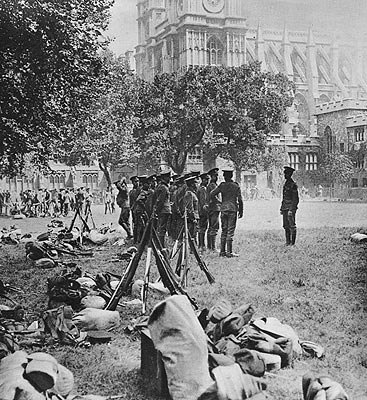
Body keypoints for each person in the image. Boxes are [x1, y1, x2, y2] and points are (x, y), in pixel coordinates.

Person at [210, 169, 243, 257]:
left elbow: (212, 194)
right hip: (232, 209)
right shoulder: (235, 186)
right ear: (231, 176)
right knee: (230, 231)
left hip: (223, 209)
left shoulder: (222, 185)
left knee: (224, 230)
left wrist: (219, 202)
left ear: (225, 177)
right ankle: (229, 252)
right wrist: (241, 211)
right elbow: (240, 199)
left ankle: (222, 252)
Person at [280, 166, 299, 246]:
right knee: (285, 225)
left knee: (292, 225)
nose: (285, 175)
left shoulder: (292, 185)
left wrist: (291, 210)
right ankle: (287, 242)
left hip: (290, 208)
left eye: (286, 174)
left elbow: (295, 199)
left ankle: (292, 243)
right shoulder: (286, 184)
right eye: (285, 174)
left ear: (290, 174)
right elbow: (284, 197)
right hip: (285, 207)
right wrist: (282, 208)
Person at [154, 171, 172, 248]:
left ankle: (161, 245)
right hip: (163, 211)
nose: (169, 179)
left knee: (162, 229)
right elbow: (160, 200)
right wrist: (157, 211)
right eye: (168, 177)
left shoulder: (163, 187)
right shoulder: (163, 187)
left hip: (165, 210)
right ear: (164, 178)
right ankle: (161, 246)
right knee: (161, 229)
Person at [206, 168, 221, 251]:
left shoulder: (211, 185)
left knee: (211, 227)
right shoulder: (212, 185)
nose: (217, 177)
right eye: (215, 175)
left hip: (212, 208)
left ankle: (209, 246)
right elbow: (213, 196)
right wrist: (220, 202)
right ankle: (213, 247)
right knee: (214, 227)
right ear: (212, 176)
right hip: (214, 208)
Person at [183, 176, 199, 242]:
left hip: (194, 217)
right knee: (192, 236)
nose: (197, 185)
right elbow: (189, 208)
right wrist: (193, 219)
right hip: (192, 219)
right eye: (196, 183)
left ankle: (193, 250)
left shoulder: (192, 193)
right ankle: (191, 251)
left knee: (194, 235)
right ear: (192, 184)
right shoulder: (189, 193)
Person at [197, 172, 209, 250]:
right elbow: (203, 202)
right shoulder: (203, 189)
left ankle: (201, 245)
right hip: (202, 212)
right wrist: (206, 212)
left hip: (200, 211)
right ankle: (202, 245)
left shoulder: (199, 187)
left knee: (201, 228)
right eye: (206, 179)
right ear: (203, 180)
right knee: (202, 228)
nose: (207, 181)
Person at [129, 176, 140, 243]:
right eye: (135, 181)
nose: (137, 183)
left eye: (138, 181)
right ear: (133, 183)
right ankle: (136, 239)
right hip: (135, 210)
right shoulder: (132, 192)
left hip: (138, 209)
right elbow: (131, 203)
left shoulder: (139, 190)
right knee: (135, 224)